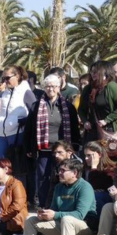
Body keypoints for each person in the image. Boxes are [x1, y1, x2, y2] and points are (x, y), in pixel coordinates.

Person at [20, 159, 95, 235]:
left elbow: (80, 215)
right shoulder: (59, 187)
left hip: (83, 229)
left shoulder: (85, 187)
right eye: (58, 170)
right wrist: (45, 215)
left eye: (62, 170)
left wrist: (55, 214)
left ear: (74, 173)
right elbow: (54, 210)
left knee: (67, 219)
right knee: (30, 219)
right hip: (62, 226)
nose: (58, 173)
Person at [24, 74, 81, 205]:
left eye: (54, 86)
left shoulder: (67, 107)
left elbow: (74, 128)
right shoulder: (36, 106)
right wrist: (28, 147)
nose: (51, 89)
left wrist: (75, 146)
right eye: (48, 86)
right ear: (44, 88)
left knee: (62, 176)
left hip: (62, 149)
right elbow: (29, 129)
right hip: (43, 149)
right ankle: (45, 205)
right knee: (43, 178)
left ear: (59, 87)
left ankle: (61, 204)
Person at [0, 66, 31, 161]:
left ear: (17, 76)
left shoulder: (25, 91)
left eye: (7, 78)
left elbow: (35, 110)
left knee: (16, 166)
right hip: (2, 133)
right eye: (4, 79)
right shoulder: (6, 92)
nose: (5, 81)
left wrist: (24, 120)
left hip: (17, 133)